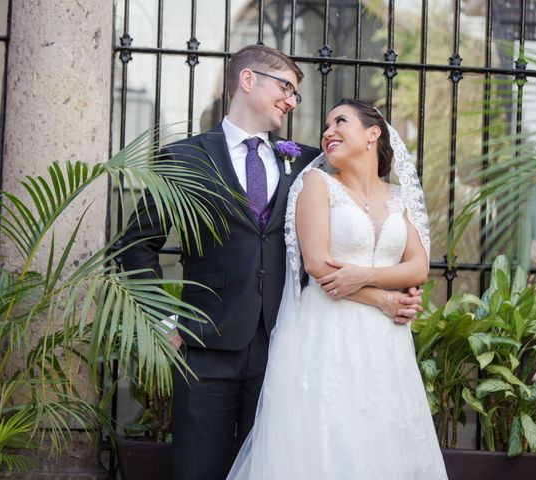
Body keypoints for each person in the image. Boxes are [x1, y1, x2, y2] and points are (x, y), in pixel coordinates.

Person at [120, 46, 423, 480]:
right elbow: (135, 245)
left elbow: (365, 215)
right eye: (286, 87)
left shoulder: (309, 163)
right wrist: (163, 323)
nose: (291, 100)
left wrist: (390, 294)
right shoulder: (184, 158)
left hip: (287, 349)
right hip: (204, 348)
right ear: (248, 80)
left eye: (296, 94)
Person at [227, 99, 449, 479]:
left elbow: (418, 266)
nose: (328, 132)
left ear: (372, 134)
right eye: (326, 125)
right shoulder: (317, 184)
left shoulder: (397, 198)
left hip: (385, 342)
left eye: (340, 122)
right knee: (328, 439)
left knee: (382, 440)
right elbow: (318, 265)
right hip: (327, 332)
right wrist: (385, 299)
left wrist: (364, 278)